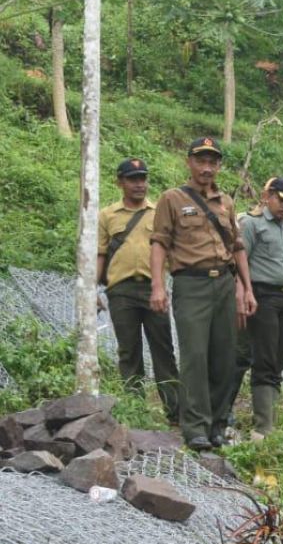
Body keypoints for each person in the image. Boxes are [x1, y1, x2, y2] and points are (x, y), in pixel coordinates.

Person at [150, 137, 256, 451]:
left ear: (219, 165)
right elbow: (159, 242)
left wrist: (246, 289)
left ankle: (217, 425)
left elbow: (237, 247)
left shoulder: (226, 202)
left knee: (224, 356)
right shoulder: (171, 198)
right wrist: (157, 285)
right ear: (189, 162)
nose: (207, 168)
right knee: (195, 356)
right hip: (190, 283)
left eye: (213, 162)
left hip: (224, 283)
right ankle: (194, 426)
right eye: (201, 160)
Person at [97, 157, 179, 425]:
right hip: (120, 290)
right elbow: (99, 254)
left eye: (143, 178)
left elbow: (170, 249)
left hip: (153, 289)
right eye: (133, 179)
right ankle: (136, 413)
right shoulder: (107, 215)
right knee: (128, 352)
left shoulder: (159, 212)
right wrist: (91, 290)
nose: (139, 184)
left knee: (163, 350)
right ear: (120, 182)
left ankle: (176, 412)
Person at [236, 176, 283, 440]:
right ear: (268, 196)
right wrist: (243, 293)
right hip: (261, 296)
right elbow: (239, 259)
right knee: (264, 361)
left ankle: (270, 419)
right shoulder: (252, 223)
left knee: (280, 360)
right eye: (282, 200)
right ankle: (262, 427)